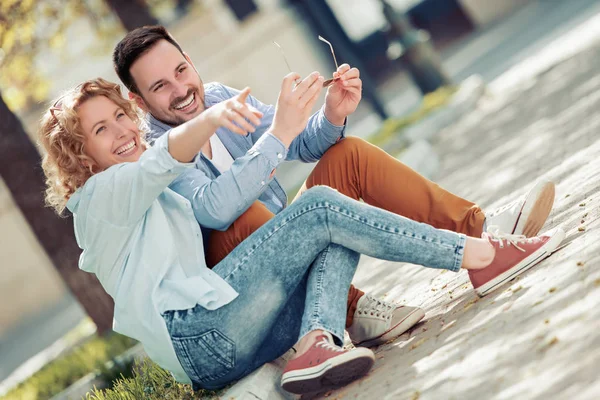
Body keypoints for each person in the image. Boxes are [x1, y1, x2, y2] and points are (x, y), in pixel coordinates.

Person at [38, 78, 564, 394]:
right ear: (80, 156)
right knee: (316, 210)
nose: (122, 131)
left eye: (119, 117)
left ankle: (318, 341)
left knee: (325, 224)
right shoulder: (99, 199)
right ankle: (480, 254)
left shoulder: (143, 187)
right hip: (200, 337)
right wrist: (214, 117)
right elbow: (164, 159)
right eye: (100, 130)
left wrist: (314, 117)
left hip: (231, 328)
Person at [110, 26, 557, 344]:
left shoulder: (221, 97)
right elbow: (214, 211)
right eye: (161, 86)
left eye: (182, 70)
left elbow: (302, 142)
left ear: (190, 61)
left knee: (349, 154)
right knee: (245, 214)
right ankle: (351, 307)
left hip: (284, 231)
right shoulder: (155, 152)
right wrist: (279, 133)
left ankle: (478, 229)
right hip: (240, 281)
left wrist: (333, 114)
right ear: (138, 99)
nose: (182, 89)